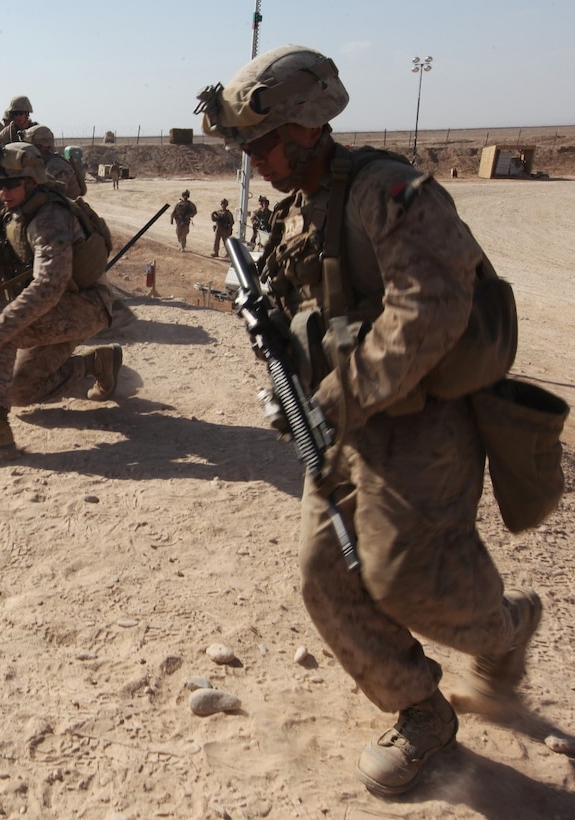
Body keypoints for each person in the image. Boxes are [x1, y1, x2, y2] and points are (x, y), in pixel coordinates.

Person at [197, 44, 542, 797]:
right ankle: (421, 710)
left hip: (422, 425)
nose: (254, 160)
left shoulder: (389, 192)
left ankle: (508, 627)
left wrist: (333, 398)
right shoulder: (300, 206)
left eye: (261, 144)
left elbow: (431, 310)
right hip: (340, 422)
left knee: (408, 581)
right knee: (325, 576)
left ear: (306, 126)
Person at [0, 143, 121, 460]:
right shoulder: (19, 212)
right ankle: (95, 363)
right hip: (61, 310)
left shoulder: (50, 217)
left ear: (32, 181)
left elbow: (49, 284)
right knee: (17, 390)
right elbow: (19, 260)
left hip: (86, 306)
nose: (3, 192)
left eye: (10, 184)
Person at [21, 124, 86, 199]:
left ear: (42, 147)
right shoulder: (44, 161)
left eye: (30, 146)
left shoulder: (56, 166)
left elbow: (49, 194)